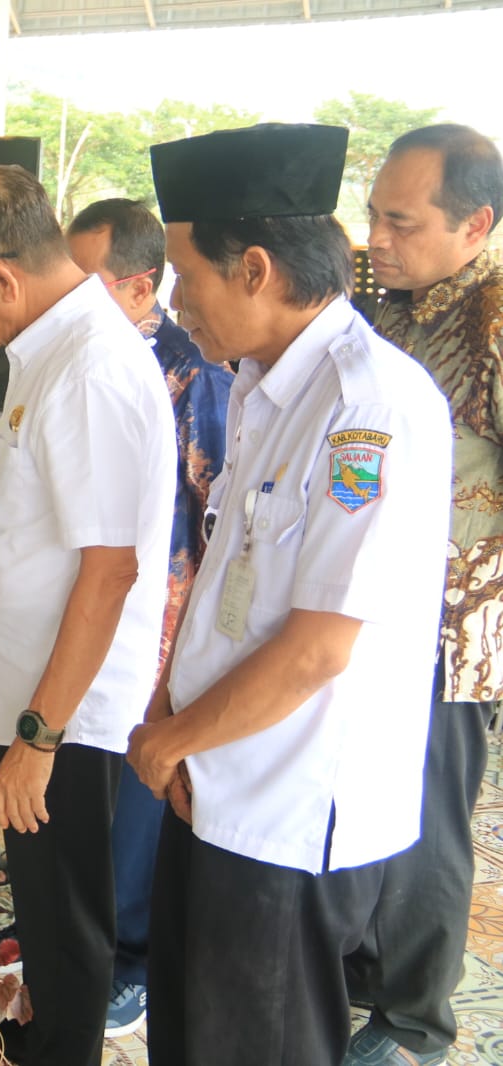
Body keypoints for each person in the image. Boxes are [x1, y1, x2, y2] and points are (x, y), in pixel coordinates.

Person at [125, 123, 453, 1066]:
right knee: (191, 1039)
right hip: (216, 778)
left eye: (184, 276)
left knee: (256, 1047)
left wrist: (169, 740)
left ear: (255, 269)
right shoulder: (261, 386)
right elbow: (233, 579)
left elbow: (317, 647)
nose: (174, 303)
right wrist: (171, 718)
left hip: (288, 809)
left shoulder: (367, 408)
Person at [0, 163, 177, 1066]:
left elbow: (108, 572)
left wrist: (38, 734)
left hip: (65, 710)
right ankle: (42, 1041)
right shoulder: (52, 349)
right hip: (39, 695)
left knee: (66, 919)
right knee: (45, 909)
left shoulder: (92, 368)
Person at [339, 124, 503, 1066]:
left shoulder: (490, 321)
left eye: (400, 222)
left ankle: (413, 1023)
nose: (376, 239)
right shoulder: (384, 314)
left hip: (450, 628)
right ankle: (364, 973)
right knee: (362, 791)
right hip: (366, 611)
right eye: (373, 216)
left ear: (473, 224)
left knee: (428, 822)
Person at [65, 196, 234, 1039]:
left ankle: (130, 958)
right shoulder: (73, 357)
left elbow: (213, 519)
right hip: (82, 609)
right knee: (78, 779)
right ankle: (75, 930)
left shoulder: (189, 373)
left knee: (136, 792)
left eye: (83, 279)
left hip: (154, 622)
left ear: (139, 286)